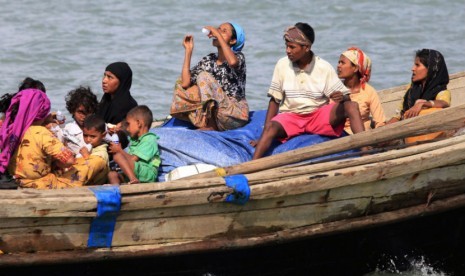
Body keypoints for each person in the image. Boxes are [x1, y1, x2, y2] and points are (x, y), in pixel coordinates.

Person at [251, 22, 365, 160]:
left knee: (351, 106)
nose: (288, 50)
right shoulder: (282, 64)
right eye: (286, 46)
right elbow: (274, 100)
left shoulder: (323, 67)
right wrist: (264, 135)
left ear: (306, 48)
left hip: (317, 116)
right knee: (271, 127)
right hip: (291, 117)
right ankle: (251, 166)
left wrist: (343, 98)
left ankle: (365, 150)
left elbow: (345, 98)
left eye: (292, 47)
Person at [1, 89, 106, 189]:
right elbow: (69, 160)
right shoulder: (40, 132)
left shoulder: (10, 129)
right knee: (98, 162)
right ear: (41, 112)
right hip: (43, 184)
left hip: (17, 180)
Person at [170, 22, 249, 131]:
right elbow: (185, 83)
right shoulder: (209, 60)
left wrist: (216, 32)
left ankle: (210, 126)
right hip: (217, 114)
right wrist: (188, 51)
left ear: (232, 41)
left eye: (224, 31)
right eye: (218, 29)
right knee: (180, 82)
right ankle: (206, 122)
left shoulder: (238, 57)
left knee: (203, 77)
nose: (219, 32)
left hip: (234, 114)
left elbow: (232, 62)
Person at [387, 49, 450, 123]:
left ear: (430, 69)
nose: (412, 69)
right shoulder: (411, 89)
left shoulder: (441, 91)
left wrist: (422, 104)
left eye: (417, 65)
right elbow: (399, 115)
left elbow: (444, 103)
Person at [337, 47, 386, 134]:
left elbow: (380, 122)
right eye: (339, 62)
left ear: (355, 68)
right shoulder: (335, 89)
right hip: (339, 135)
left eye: (343, 63)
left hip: (362, 135)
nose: (338, 66)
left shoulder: (368, 91)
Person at [108, 105, 160, 184]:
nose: (128, 128)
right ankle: (116, 192)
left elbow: (132, 159)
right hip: (136, 172)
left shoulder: (149, 140)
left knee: (117, 156)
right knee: (112, 175)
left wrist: (120, 150)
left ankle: (133, 179)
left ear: (139, 123)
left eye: (128, 124)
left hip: (147, 174)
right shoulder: (135, 140)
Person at [96, 61, 138, 130]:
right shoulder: (106, 100)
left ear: (121, 82)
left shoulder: (129, 106)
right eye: (105, 75)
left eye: (110, 77)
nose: (104, 80)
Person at [62, 86, 99, 157]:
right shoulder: (66, 130)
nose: (84, 116)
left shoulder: (99, 128)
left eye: (87, 112)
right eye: (80, 112)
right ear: (73, 111)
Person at [79, 114, 110, 185]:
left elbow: (90, 167)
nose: (88, 139)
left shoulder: (102, 153)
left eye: (92, 136)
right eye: (85, 135)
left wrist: (86, 155)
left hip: (96, 186)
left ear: (103, 135)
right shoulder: (92, 147)